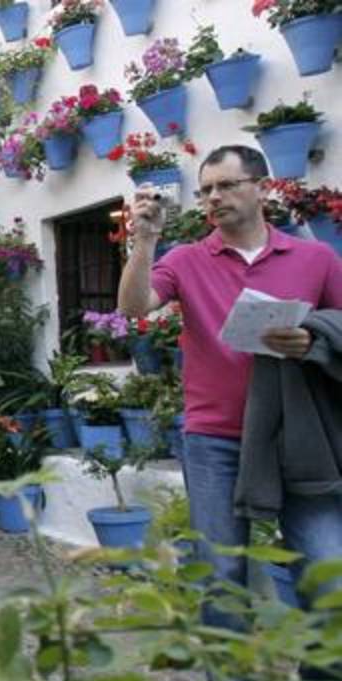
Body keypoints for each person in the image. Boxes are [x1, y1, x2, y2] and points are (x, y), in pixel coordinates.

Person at [117, 144, 342, 630]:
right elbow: (135, 308)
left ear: (262, 188)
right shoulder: (186, 260)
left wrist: (313, 340)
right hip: (215, 436)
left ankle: (323, 680)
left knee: (328, 571)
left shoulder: (317, 257)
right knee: (220, 571)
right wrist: (144, 241)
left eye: (225, 185)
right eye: (205, 190)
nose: (213, 197)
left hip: (299, 434)